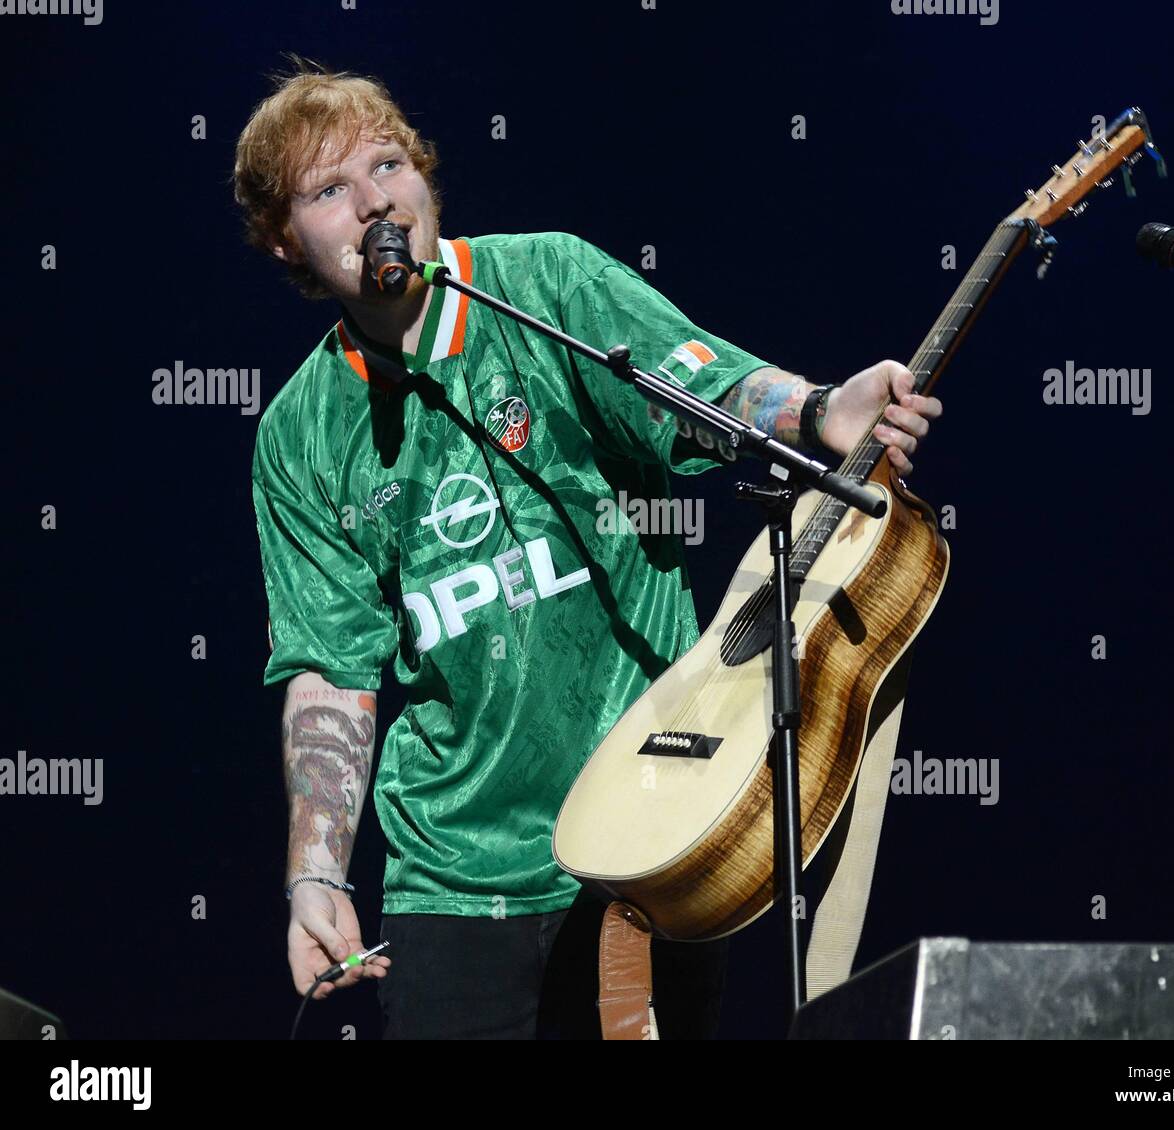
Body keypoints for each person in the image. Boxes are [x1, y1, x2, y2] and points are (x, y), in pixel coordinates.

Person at [234, 58, 942, 1039]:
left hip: (646, 834)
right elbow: (330, 669)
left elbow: (706, 391)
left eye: (387, 165)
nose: (372, 202)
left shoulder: (547, 283)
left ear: (426, 177)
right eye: (328, 189)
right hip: (453, 881)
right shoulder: (299, 432)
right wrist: (314, 871)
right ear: (286, 244)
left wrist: (818, 408)